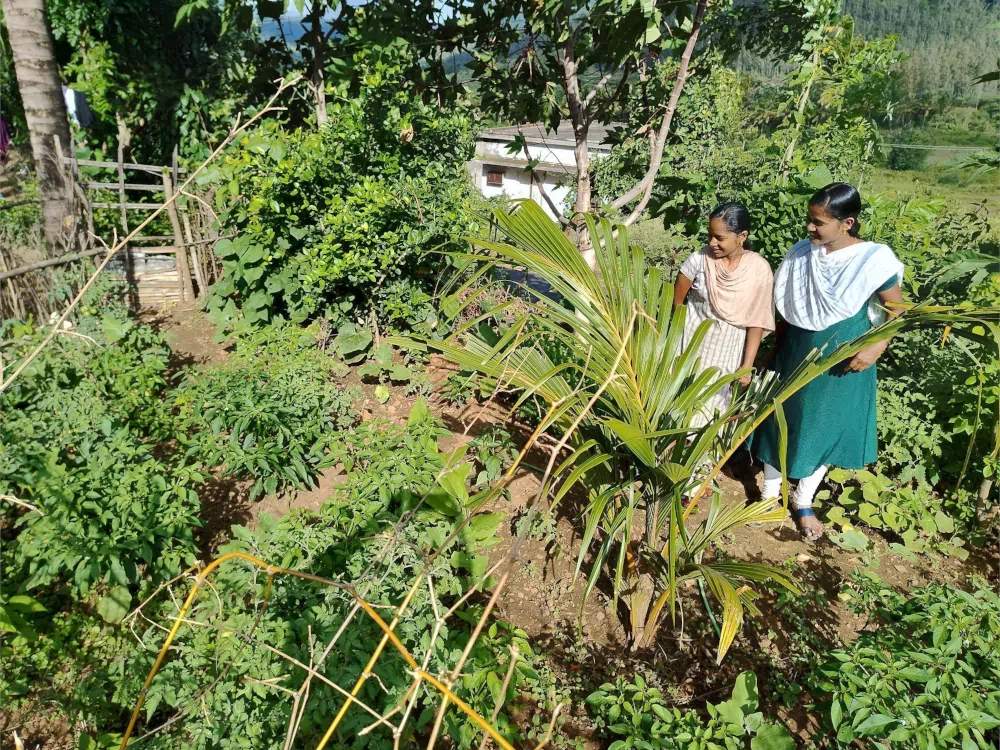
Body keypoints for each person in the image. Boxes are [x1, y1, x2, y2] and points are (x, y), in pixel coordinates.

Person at [752, 183, 904, 540]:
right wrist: (773, 348)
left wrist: (875, 348)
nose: (810, 228)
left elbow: (897, 312)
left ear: (847, 222)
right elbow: (787, 307)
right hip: (795, 350)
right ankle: (769, 495)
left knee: (825, 425)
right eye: (810, 220)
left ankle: (803, 501)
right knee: (778, 418)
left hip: (842, 358)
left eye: (819, 222)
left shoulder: (873, 259)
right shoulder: (800, 253)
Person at [674, 202, 776, 430]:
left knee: (710, 417)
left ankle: (701, 464)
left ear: (742, 236)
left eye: (719, 238)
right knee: (677, 409)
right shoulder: (699, 260)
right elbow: (677, 303)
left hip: (726, 356)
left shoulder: (758, 269)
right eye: (710, 235)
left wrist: (746, 366)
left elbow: (756, 322)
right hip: (688, 350)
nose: (712, 243)